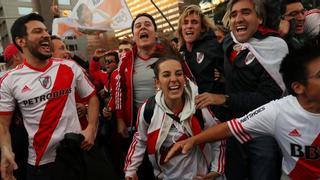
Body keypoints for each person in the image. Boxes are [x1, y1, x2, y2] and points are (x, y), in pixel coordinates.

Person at [165, 39, 320, 180]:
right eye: (319, 75)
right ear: (298, 87)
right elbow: (231, 128)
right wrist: (192, 141)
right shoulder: (278, 111)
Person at [196, 0, 289, 179]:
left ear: (260, 18)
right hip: (231, 129)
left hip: (262, 131)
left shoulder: (275, 46)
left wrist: (224, 98)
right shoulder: (229, 42)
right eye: (233, 14)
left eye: (245, 12)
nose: (238, 19)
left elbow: (270, 99)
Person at [0, 13, 99, 180]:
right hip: (41, 165)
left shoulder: (69, 67)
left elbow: (92, 97)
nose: (46, 34)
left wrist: (91, 128)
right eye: (38, 31)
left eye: (46, 31)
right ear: (21, 41)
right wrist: (6, 151)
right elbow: (3, 124)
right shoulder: (8, 80)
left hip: (76, 155)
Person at [124, 53, 225, 180]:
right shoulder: (148, 109)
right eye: (166, 75)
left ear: (184, 78)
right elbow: (140, 140)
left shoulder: (198, 105)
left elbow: (218, 136)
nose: (174, 79)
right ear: (157, 83)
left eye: (178, 74)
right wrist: (130, 170)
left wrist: (216, 169)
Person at [115, 13, 165, 179]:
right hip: (139, 127)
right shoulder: (126, 60)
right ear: (134, 36)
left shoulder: (169, 55)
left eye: (147, 24)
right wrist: (120, 119)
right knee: (143, 170)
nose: (143, 27)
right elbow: (119, 91)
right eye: (138, 25)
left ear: (155, 33)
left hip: (168, 125)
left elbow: (189, 82)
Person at [177, 5, 224, 94]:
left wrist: (222, 77)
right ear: (181, 28)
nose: (189, 26)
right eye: (185, 22)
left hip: (212, 106)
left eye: (194, 22)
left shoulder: (213, 47)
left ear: (202, 28)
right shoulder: (179, 54)